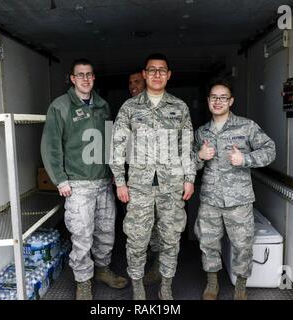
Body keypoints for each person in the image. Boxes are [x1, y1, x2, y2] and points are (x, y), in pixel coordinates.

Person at [41, 58, 128, 300]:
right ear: (72, 78)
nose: (86, 79)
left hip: (103, 182)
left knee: (106, 231)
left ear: (94, 78)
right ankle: (83, 281)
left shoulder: (103, 105)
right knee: (81, 234)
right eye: (80, 75)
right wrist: (60, 179)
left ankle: (101, 270)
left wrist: (113, 172)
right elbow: (51, 147)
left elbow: (111, 142)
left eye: (89, 74)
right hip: (78, 184)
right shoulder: (60, 107)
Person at [111, 53, 196, 300]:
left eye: (162, 70)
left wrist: (189, 178)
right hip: (138, 186)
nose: (157, 74)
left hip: (173, 186)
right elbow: (117, 145)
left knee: (171, 239)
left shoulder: (179, 107)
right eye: (152, 70)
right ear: (145, 74)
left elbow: (187, 146)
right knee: (137, 239)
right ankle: (138, 287)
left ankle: (166, 286)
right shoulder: (130, 107)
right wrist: (120, 182)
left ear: (168, 75)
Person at [193, 80, 276, 300]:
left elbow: (270, 150)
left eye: (223, 97)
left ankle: (240, 286)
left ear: (231, 101)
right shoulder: (201, 132)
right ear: (208, 101)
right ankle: (212, 284)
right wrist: (200, 157)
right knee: (208, 243)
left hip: (239, 200)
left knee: (243, 245)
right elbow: (188, 163)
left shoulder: (247, 126)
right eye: (213, 97)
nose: (217, 101)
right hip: (210, 199)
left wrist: (245, 159)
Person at [127, 70, 161, 286]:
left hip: (161, 178)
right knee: (137, 223)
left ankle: (158, 263)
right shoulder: (128, 108)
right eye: (130, 83)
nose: (133, 86)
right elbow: (117, 144)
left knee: (159, 222)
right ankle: (146, 256)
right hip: (136, 178)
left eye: (137, 81)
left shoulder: (163, 107)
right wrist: (118, 175)